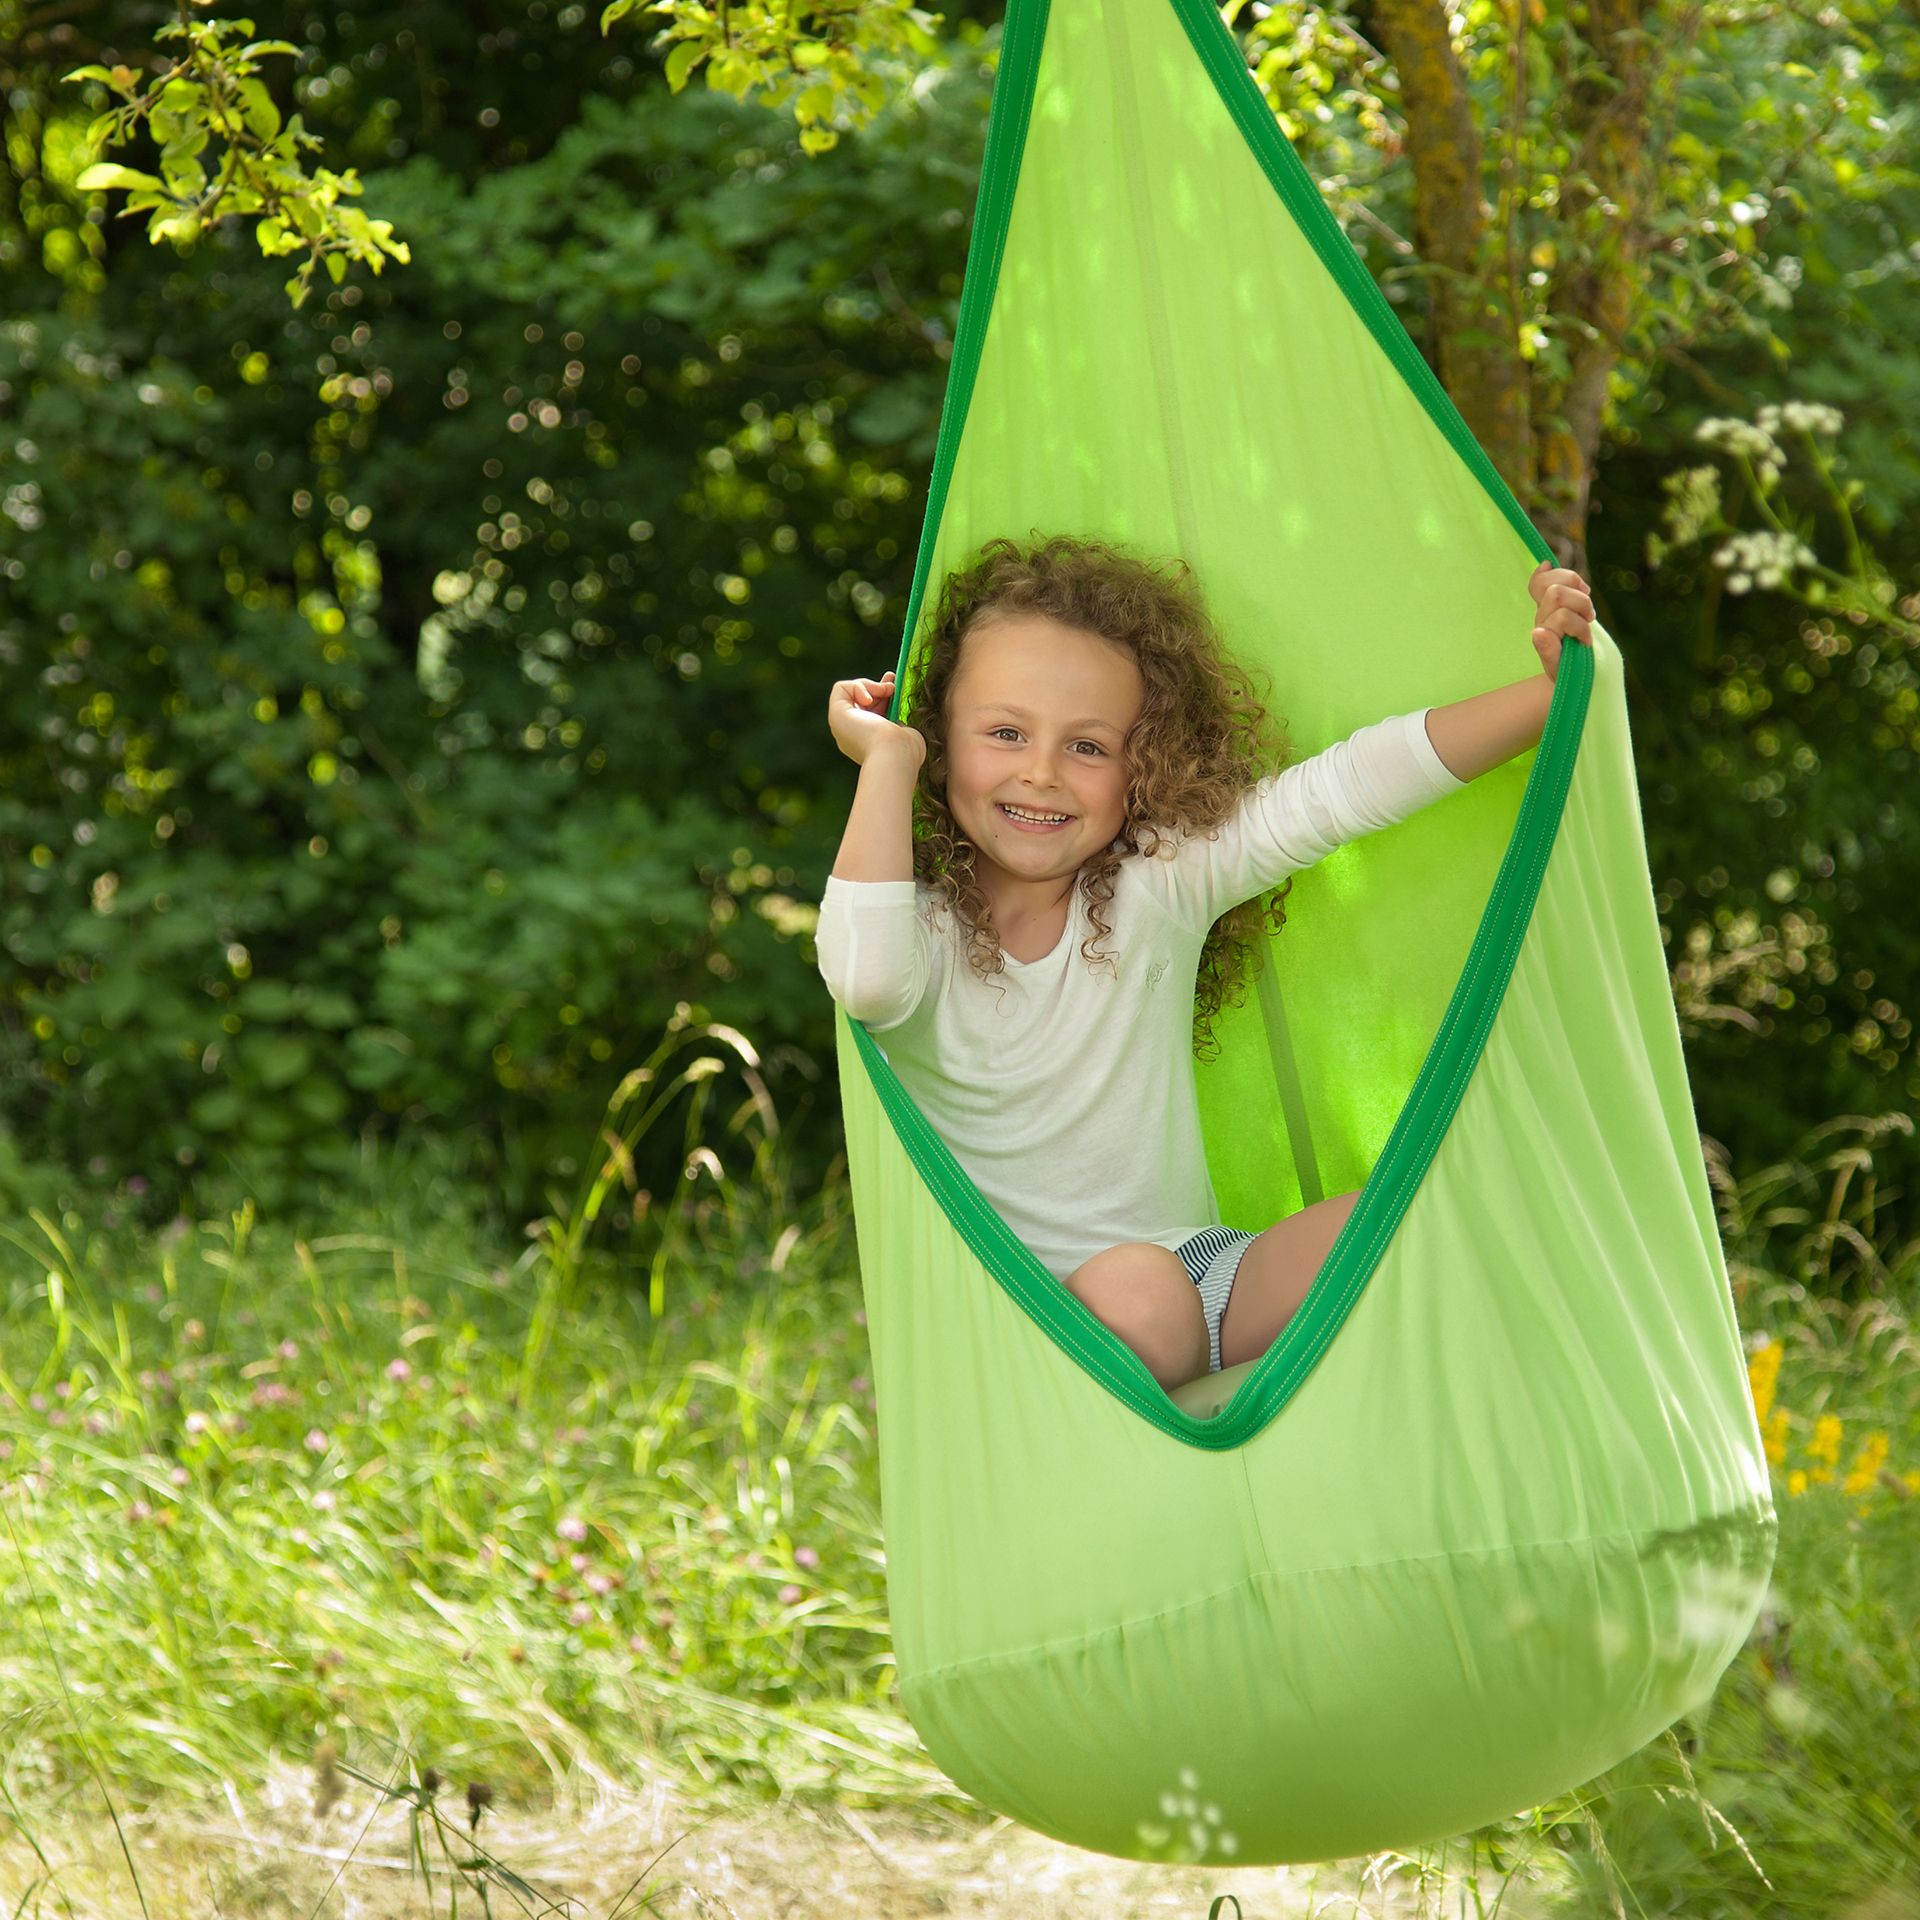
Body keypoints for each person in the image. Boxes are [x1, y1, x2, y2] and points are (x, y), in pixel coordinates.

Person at [816, 533, 1594, 1393]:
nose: (1040, 773)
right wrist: (887, 761)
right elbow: (864, 980)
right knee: (1139, 1292)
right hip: (1026, 1328)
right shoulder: (915, 933)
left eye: (1088, 747)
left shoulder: (1157, 885)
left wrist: (1548, 698)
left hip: (1205, 1282)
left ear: (1141, 765)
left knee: (1430, 1206)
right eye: (1004, 733)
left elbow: (1341, 790)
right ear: (939, 740)